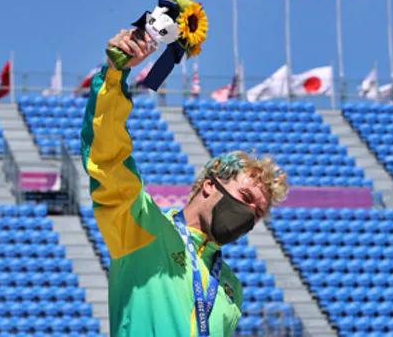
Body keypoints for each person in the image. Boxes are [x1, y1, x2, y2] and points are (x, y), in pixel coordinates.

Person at [81, 29, 288, 337]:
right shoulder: (142, 227)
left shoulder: (230, 287)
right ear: (209, 185)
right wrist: (115, 75)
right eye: (245, 196)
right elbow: (108, 157)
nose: (249, 213)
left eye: (257, 213)